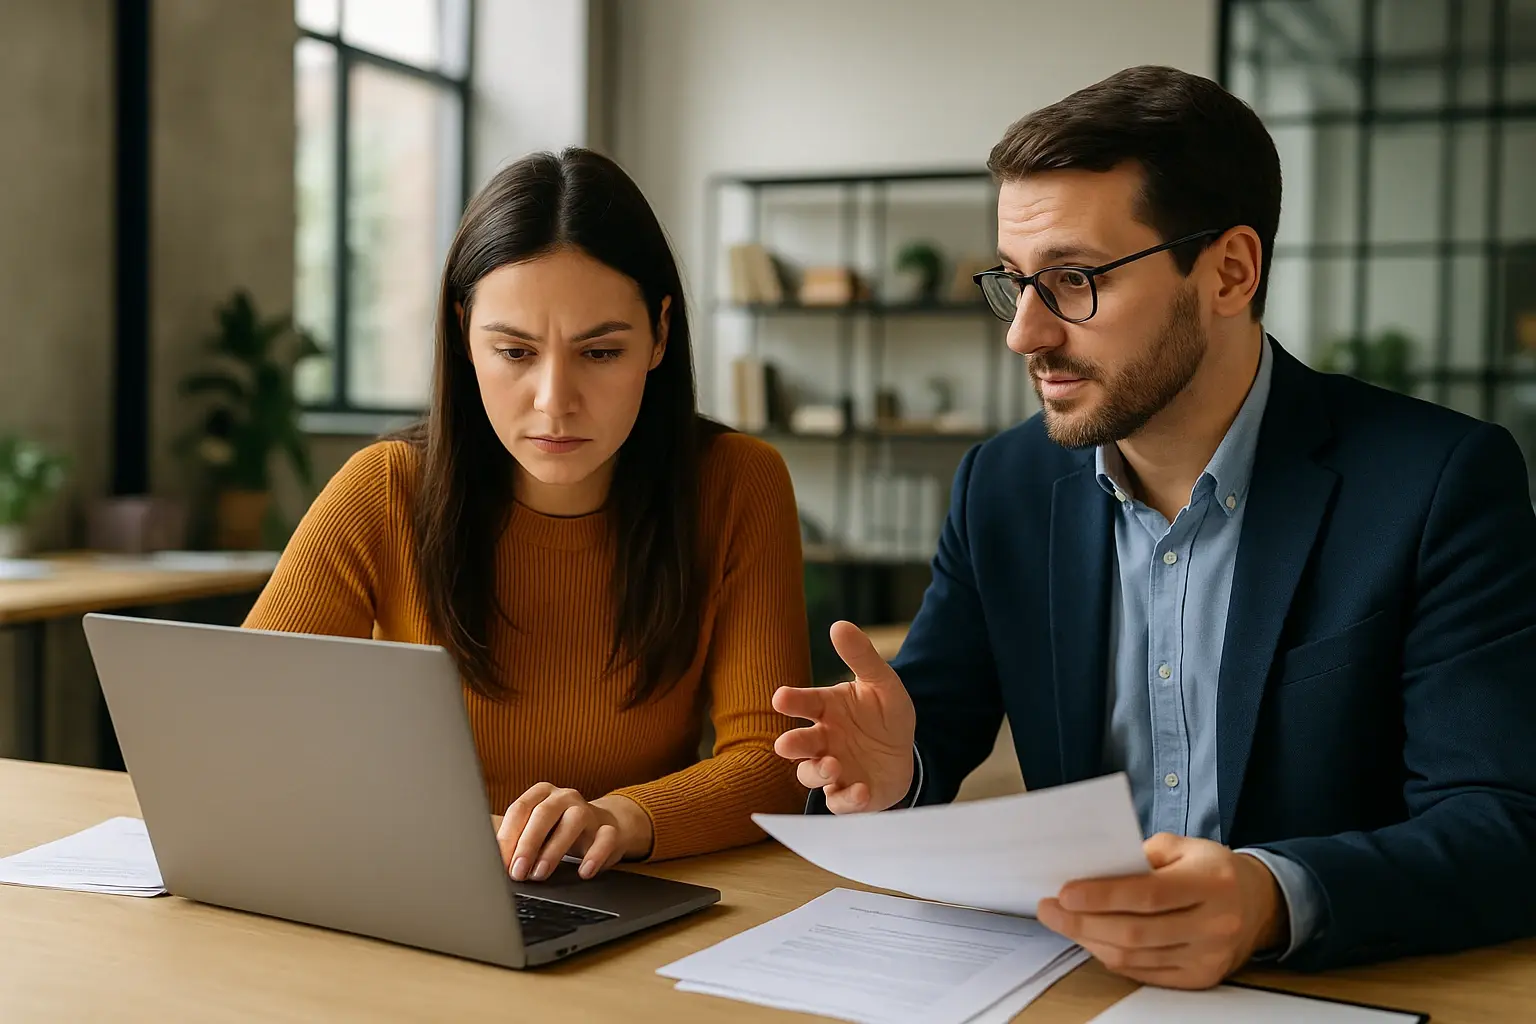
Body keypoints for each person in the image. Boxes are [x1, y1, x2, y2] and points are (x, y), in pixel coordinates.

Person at [773, 65, 1536, 988]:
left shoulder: (1436, 483)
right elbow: (924, 734)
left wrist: (1269, 897)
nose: (1025, 335)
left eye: (1072, 280)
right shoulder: (1003, 487)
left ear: (1229, 271)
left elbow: (1504, 822)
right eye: (1013, 283)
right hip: (1072, 986)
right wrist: (891, 774)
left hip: (1327, 990)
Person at [246, 147, 809, 884]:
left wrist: (622, 819)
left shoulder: (737, 484)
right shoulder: (385, 489)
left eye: (601, 353)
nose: (554, 400)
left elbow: (772, 761)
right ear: (462, 334)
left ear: (660, 336)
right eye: (513, 351)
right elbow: (246, 730)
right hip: (413, 882)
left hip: (622, 888)